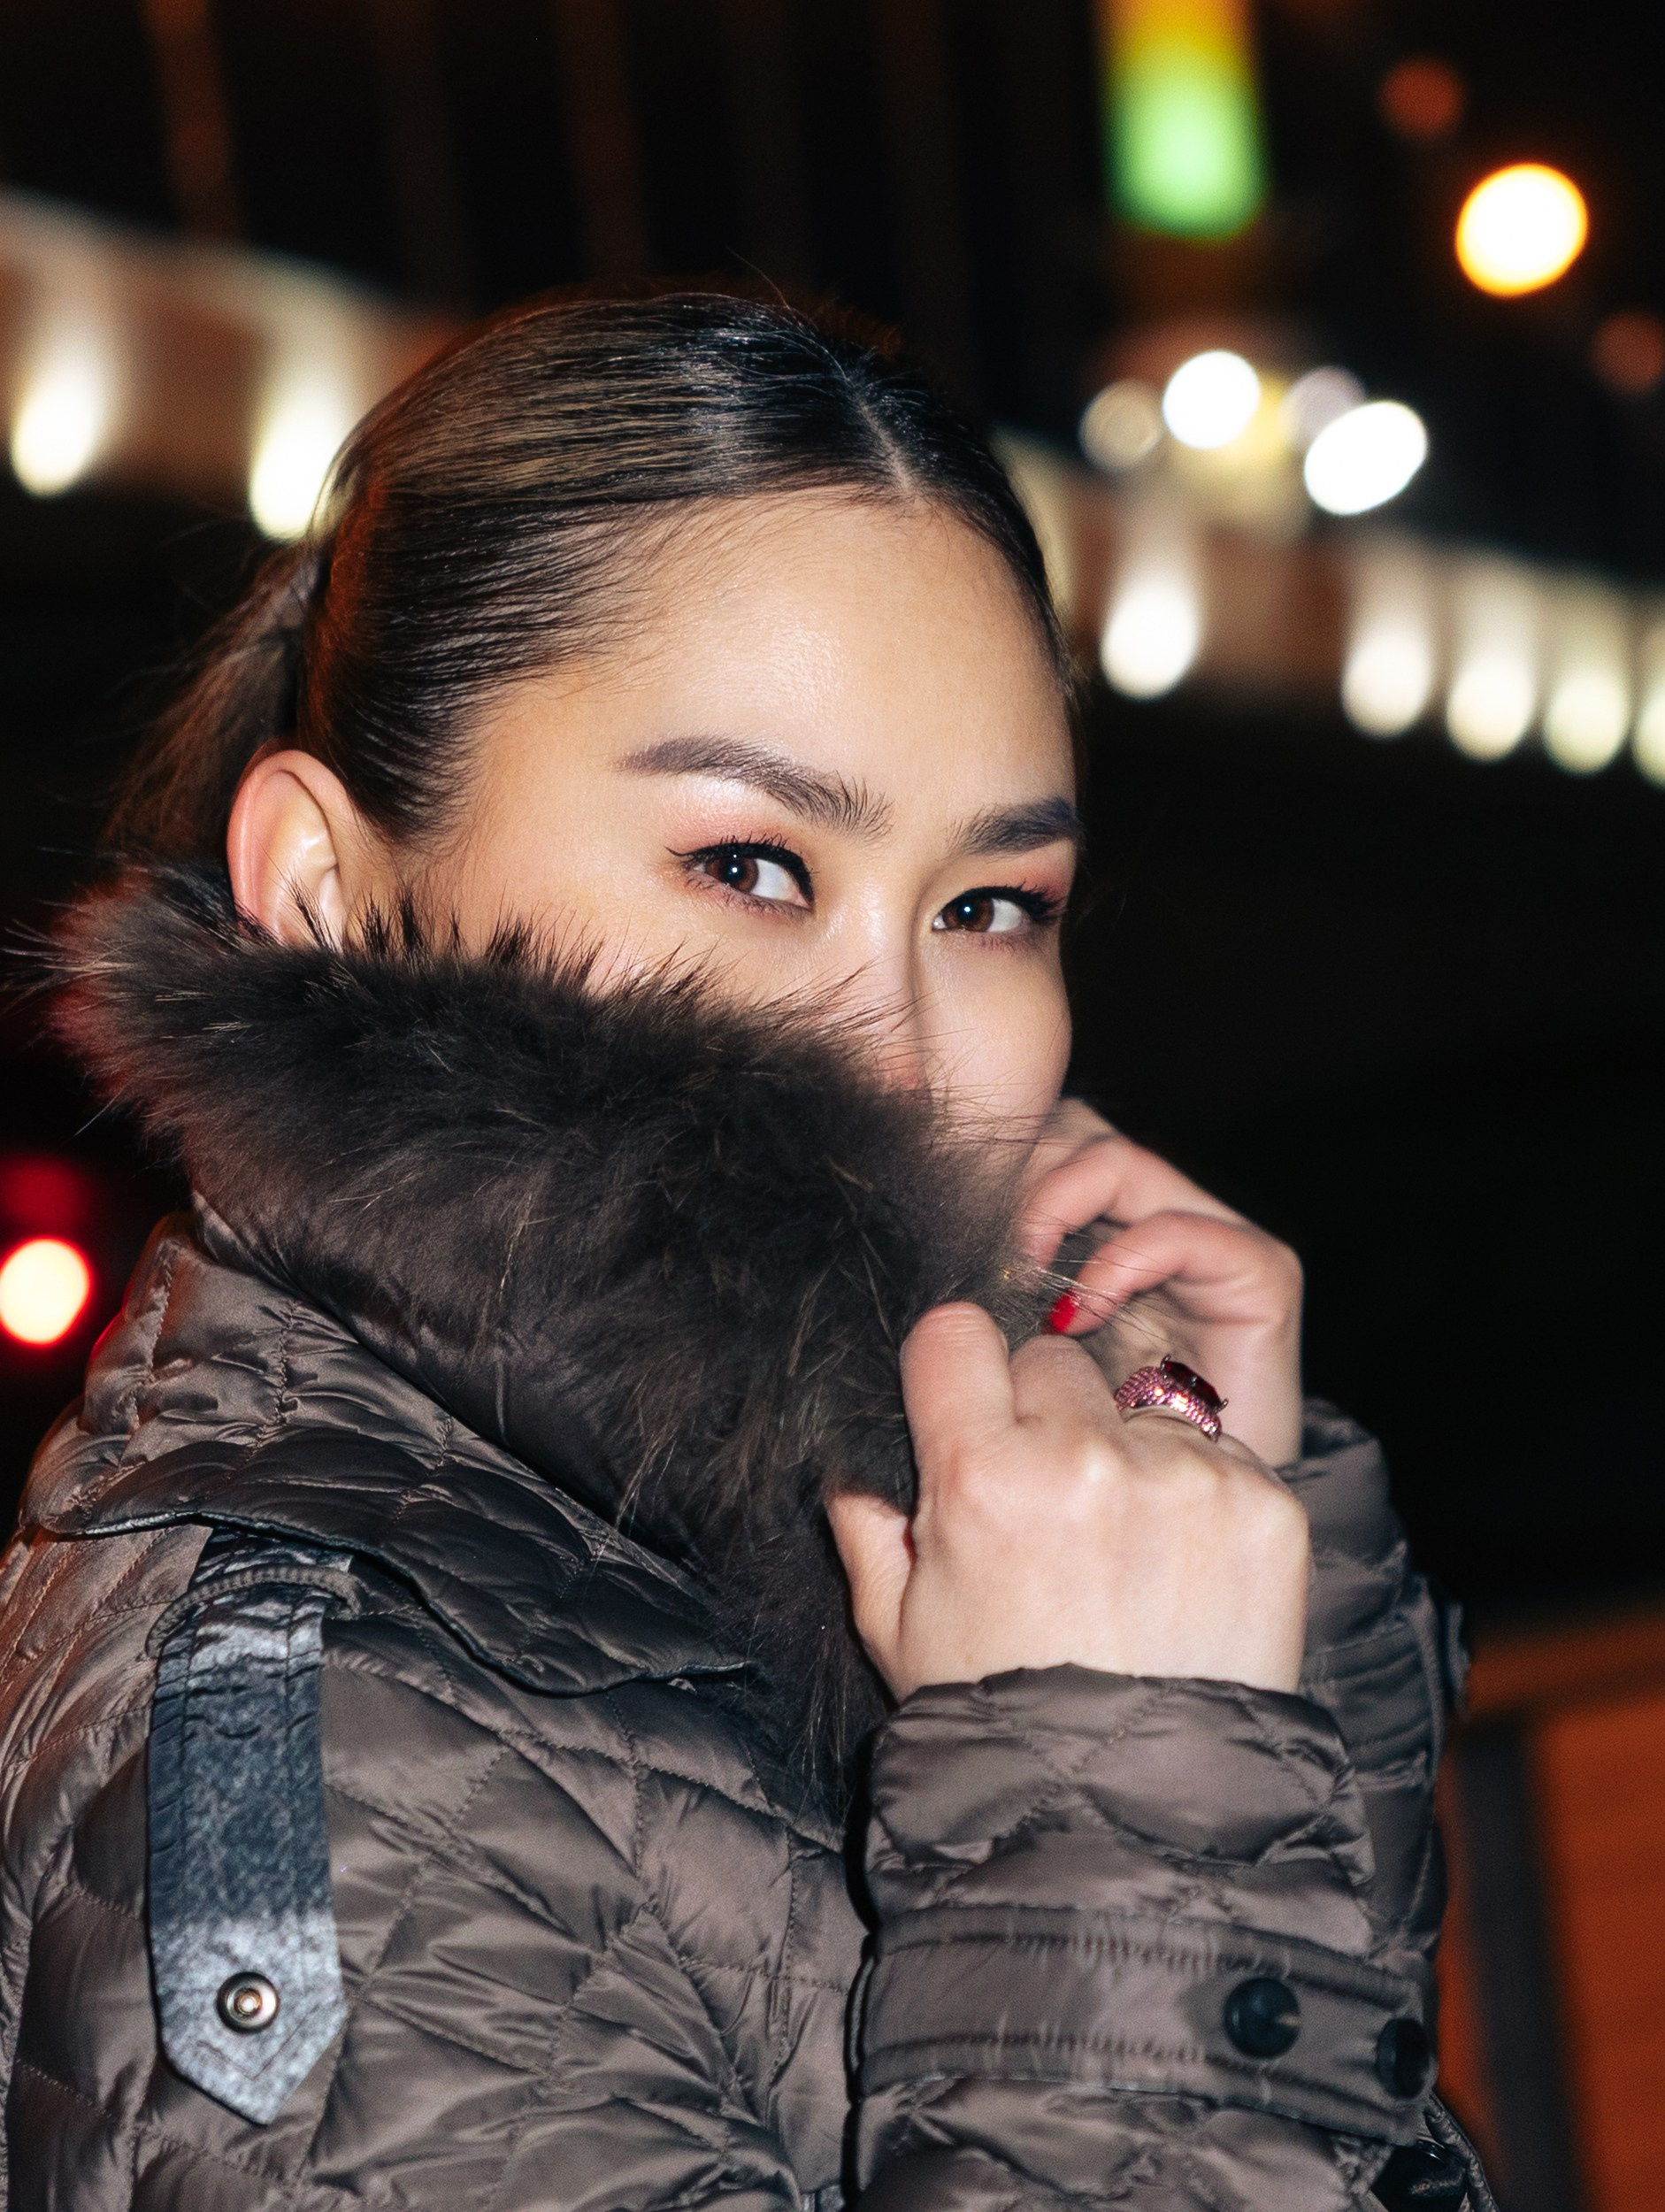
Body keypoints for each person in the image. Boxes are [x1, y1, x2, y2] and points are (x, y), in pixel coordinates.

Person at [0, 296, 1481, 2211]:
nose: (901, 1052)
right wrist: (1120, 1773)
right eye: (751, 866)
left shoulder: (817, 1520)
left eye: (990, 904)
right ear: (323, 884)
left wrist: (1230, 1588)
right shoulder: (312, 1755)